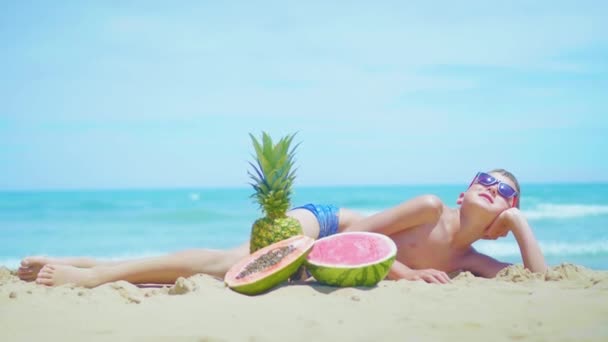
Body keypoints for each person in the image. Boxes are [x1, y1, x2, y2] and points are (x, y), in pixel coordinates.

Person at [17, 169, 546, 287]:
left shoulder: (469, 260)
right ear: (462, 191)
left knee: (218, 268)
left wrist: (520, 226)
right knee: (225, 265)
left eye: (505, 194)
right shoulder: (432, 207)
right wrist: (404, 274)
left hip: (330, 258)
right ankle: (91, 279)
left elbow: (540, 281)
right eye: (484, 180)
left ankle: (88, 265)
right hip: (321, 224)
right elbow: (355, 240)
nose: (492, 191)